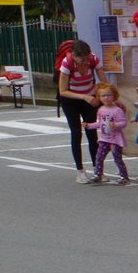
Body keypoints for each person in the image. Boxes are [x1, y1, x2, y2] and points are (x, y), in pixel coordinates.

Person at [57, 40, 101, 181]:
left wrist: (104, 97)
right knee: (76, 132)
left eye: (87, 58)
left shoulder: (93, 59)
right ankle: (80, 171)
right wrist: (84, 97)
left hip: (89, 96)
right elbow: (62, 91)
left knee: (92, 132)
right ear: (74, 56)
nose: (85, 62)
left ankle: (97, 169)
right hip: (70, 99)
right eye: (81, 59)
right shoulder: (66, 64)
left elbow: (104, 81)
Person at [82, 84, 130, 185]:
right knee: (99, 157)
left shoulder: (117, 110)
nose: (106, 98)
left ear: (114, 96)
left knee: (117, 158)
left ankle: (124, 177)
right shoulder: (101, 110)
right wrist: (89, 126)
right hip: (104, 139)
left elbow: (123, 123)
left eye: (109, 95)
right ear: (99, 97)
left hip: (115, 139)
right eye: (103, 96)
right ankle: (98, 175)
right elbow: (100, 123)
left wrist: (115, 125)